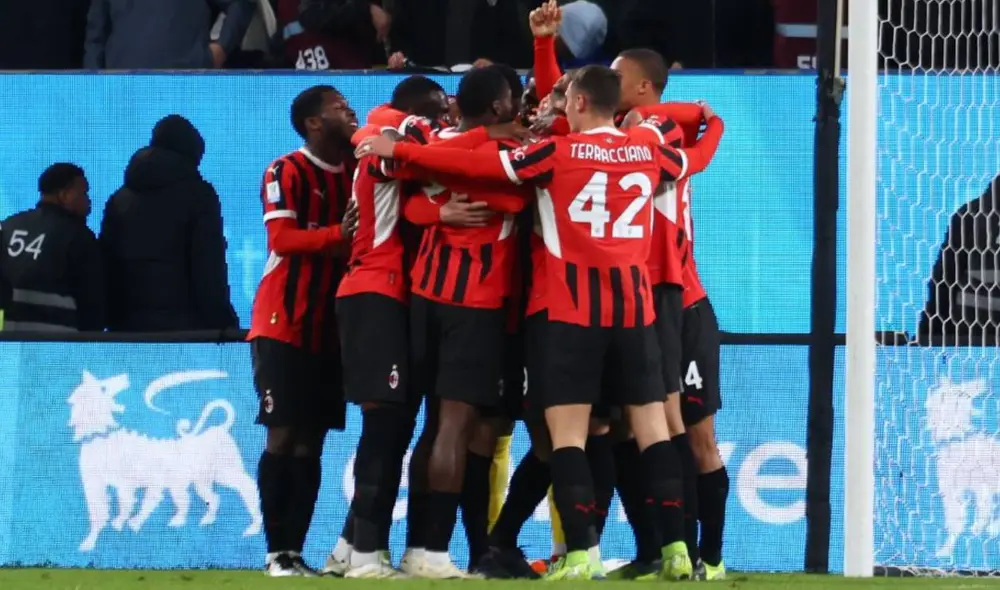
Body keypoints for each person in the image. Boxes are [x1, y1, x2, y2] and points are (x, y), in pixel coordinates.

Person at [357, 64, 701, 581]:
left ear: (580, 103)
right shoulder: (652, 152)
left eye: (565, 100)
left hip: (570, 313)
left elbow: (485, 173)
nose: (555, 107)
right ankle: (678, 551)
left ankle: (580, 553)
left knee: (565, 436)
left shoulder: (554, 154)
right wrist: (711, 124)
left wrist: (400, 154)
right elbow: (692, 157)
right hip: (636, 312)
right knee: (651, 431)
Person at [390, 66, 528, 579]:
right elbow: (517, 197)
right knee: (456, 424)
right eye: (512, 97)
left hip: (425, 296)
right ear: (497, 108)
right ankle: (434, 552)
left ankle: (416, 548)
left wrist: (435, 205)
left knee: (434, 426)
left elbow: (409, 196)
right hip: (475, 303)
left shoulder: (440, 142)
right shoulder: (504, 155)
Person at [328, 75, 451, 579]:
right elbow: (410, 143)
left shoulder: (387, 136)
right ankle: (366, 556)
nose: (444, 119)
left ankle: (346, 549)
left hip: (391, 293)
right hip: (375, 290)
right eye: (438, 110)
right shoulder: (389, 129)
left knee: (395, 427)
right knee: (383, 429)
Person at [612, 47, 728, 581]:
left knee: (692, 434)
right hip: (638, 301)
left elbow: (694, 151)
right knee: (638, 430)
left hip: (681, 302)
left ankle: (711, 557)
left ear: (640, 88)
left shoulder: (656, 132)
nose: (609, 83)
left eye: (618, 76)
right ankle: (659, 550)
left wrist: (709, 121)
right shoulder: (626, 129)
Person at [247, 85, 359, 577]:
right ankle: (275, 554)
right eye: (338, 107)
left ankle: (295, 552)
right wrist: (340, 235)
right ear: (314, 122)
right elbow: (283, 239)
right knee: (283, 435)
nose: (349, 111)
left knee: (313, 441)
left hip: (330, 328)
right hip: (283, 322)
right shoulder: (285, 169)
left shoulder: (357, 172)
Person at [99, 115, 238, 332]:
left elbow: (105, 262)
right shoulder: (199, 195)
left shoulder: (119, 198)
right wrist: (223, 321)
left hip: (125, 326)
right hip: (185, 326)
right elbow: (207, 264)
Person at [0, 163, 105, 332]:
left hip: (9, 343)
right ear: (64, 195)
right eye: (84, 193)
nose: (88, 200)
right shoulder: (78, 237)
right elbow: (91, 303)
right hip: (58, 343)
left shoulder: (7, 226)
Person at [919, 175, 1000, 346]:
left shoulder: (971, 213)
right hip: (974, 341)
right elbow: (945, 280)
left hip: (973, 339)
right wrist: (928, 337)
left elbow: (944, 279)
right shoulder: (971, 216)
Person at [84, 0, 254, 68]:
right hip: (122, 84)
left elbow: (241, 4)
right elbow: (95, 35)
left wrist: (221, 49)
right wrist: (93, 84)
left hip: (185, 78)